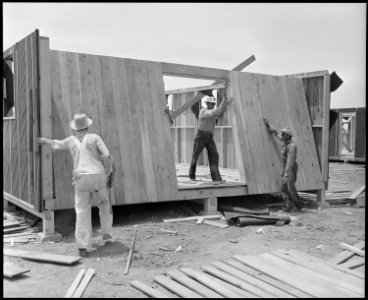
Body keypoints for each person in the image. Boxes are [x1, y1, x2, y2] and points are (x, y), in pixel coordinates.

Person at [38, 113, 113, 257]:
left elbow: (57, 144)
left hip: (81, 178)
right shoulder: (95, 137)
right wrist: (108, 172)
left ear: (75, 128)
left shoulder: (71, 140)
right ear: (88, 126)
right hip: (98, 176)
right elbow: (107, 155)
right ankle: (106, 233)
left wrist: (44, 141)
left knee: (82, 211)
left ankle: (83, 247)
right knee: (104, 203)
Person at [263, 117, 304, 212]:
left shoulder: (291, 146)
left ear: (288, 136)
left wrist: (286, 174)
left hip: (291, 169)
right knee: (284, 189)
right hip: (287, 168)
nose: (282, 135)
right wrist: (268, 124)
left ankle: (299, 205)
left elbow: (290, 161)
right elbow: (276, 132)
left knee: (290, 189)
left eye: (284, 134)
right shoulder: (285, 141)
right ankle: (288, 207)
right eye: (283, 134)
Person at [189, 96, 232, 183]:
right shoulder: (203, 111)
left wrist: (228, 101)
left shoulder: (213, 112)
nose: (212, 105)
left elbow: (220, 110)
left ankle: (216, 178)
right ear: (207, 104)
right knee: (195, 156)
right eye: (211, 103)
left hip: (209, 136)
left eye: (213, 104)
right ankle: (191, 175)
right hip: (201, 136)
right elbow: (214, 112)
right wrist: (224, 99)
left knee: (214, 155)